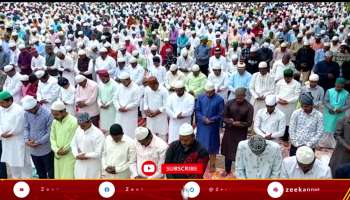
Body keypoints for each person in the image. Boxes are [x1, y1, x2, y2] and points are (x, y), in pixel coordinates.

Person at [221, 88, 254, 177]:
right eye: (237, 97)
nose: (238, 99)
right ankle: (227, 170)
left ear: (244, 96)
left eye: (240, 97)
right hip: (229, 131)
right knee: (228, 151)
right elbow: (223, 117)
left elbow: (249, 122)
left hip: (241, 133)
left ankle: (239, 171)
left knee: (239, 152)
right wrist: (230, 121)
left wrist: (239, 123)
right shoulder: (229, 103)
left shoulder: (249, 107)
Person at [0, 91, 32, 178]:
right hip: (7, 141)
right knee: (11, 161)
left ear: (10, 101)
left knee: (23, 162)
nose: (1, 104)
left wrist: (11, 133)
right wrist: (1, 133)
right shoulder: (1, 109)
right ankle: (15, 180)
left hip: (18, 140)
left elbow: (20, 125)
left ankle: (27, 180)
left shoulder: (19, 110)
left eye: (2, 102)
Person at [22, 95, 54, 179]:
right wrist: (26, 139)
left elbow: (50, 133)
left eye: (29, 110)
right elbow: (26, 127)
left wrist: (38, 142)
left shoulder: (48, 114)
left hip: (46, 149)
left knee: (50, 172)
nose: (28, 111)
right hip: (33, 150)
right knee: (40, 172)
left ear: (35, 106)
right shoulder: (27, 113)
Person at [195, 82, 224, 172]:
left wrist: (212, 119)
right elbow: (197, 110)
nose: (208, 94)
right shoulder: (200, 98)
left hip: (212, 127)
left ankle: (212, 165)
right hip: (202, 126)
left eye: (210, 92)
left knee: (212, 147)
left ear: (214, 91)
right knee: (201, 145)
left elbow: (221, 114)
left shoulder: (219, 100)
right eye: (207, 92)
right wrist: (203, 118)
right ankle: (201, 164)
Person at [71, 112, 105, 179]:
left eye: (83, 125)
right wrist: (76, 155)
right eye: (79, 125)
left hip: (92, 166)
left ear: (89, 121)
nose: (81, 127)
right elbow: (73, 144)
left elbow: (98, 153)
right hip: (80, 164)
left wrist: (85, 155)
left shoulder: (98, 134)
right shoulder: (79, 129)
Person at [50, 100, 78, 179]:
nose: (54, 117)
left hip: (69, 155)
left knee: (69, 177)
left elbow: (73, 139)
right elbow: (52, 138)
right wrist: (57, 150)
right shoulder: (55, 122)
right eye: (53, 114)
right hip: (58, 154)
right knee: (59, 177)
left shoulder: (74, 122)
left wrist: (65, 150)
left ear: (63, 112)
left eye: (56, 114)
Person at [322, 78, 350, 149]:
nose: (338, 88)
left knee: (337, 128)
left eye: (340, 87)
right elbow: (325, 101)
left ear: (343, 86)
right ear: (335, 84)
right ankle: (324, 144)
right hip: (329, 113)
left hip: (340, 114)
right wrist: (331, 108)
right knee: (327, 128)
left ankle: (334, 145)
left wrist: (341, 109)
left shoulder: (347, 93)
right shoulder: (329, 91)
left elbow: (348, 104)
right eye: (337, 86)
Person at [275, 68, 301, 142]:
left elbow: (297, 96)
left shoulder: (297, 84)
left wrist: (287, 101)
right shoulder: (279, 82)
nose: (287, 79)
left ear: (292, 77)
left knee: (288, 121)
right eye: (285, 77)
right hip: (280, 105)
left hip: (290, 106)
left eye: (289, 78)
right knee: (279, 120)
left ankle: (285, 137)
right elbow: (276, 93)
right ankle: (277, 135)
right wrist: (279, 100)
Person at [113, 72, 140, 139]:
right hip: (120, 112)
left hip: (130, 113)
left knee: (130, 130)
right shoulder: (120, 86)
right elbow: (114, 98)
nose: (122, 83)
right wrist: (119, 107)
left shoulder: (136, 88)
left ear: (128, 79)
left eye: (124, 82)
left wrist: (127, 108)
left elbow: (136, 102)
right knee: (119, 127)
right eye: (121, 82)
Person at [143, 76, 169, 142]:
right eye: (150, 86)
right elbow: (145, 102)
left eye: (153, 87)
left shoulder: (164, 90)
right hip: (150, 115)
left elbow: (166, 105)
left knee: (162, 133)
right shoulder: (147, 89)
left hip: (161, 115)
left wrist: (156, 112)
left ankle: (163, 148)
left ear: (157, 83)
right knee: (151, 132)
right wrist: (146, 110)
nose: (151, 88)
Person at [97, 69, 119, 133]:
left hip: (111, 108)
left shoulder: (115, 85)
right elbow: (98, 96)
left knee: (112, 123)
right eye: (101, 79)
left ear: (108, 77)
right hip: (102, 108)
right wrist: (100, 104)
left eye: (103, 79)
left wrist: (108, 104)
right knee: (104, 124)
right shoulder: (100, 84)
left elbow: (115, 97)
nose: (102, 81)